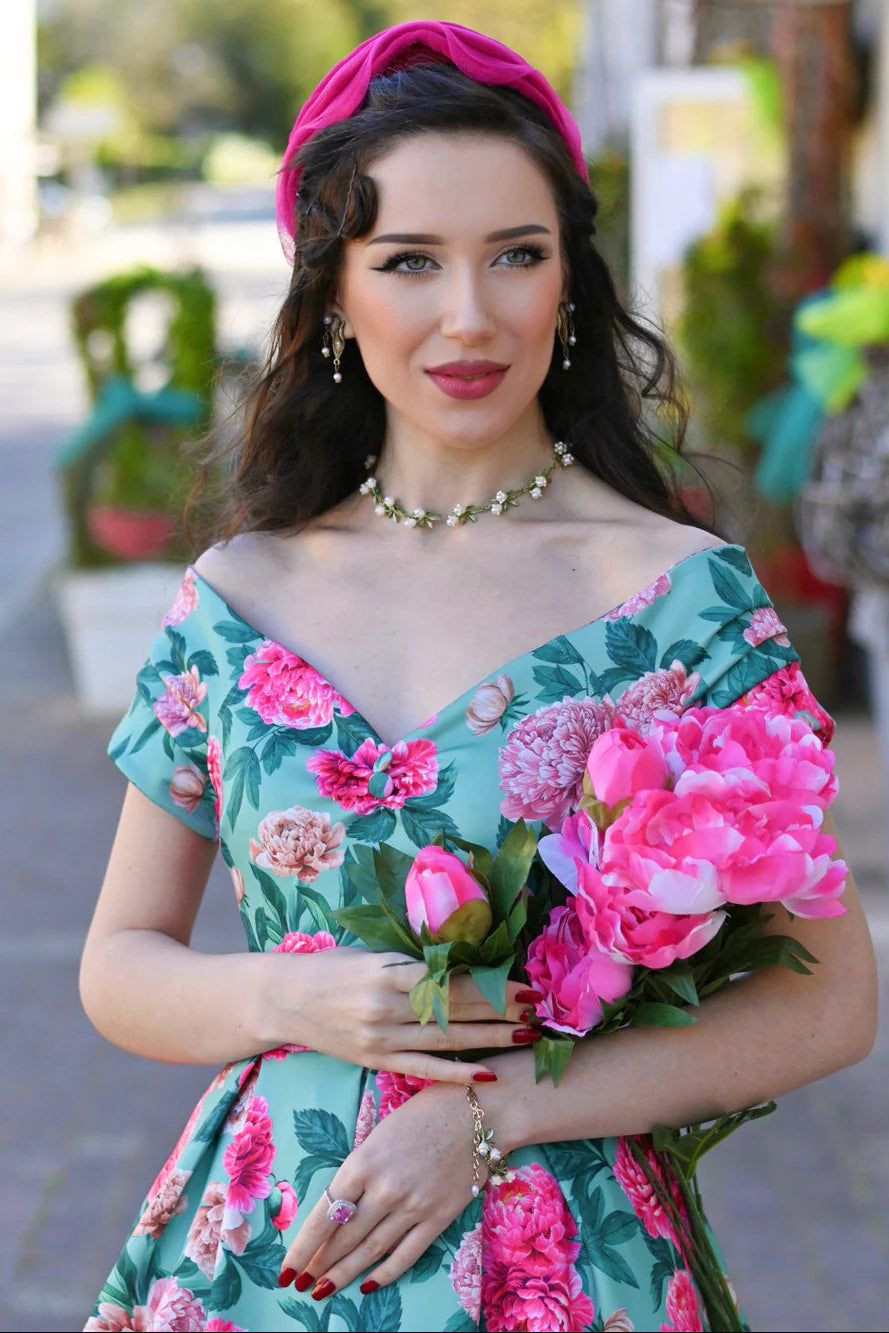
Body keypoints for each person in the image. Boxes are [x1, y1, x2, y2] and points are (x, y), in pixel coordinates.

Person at [80, 21, 877, 1333]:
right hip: (271, 1249)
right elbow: (119, 964)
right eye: (408, 261)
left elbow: (830, 994)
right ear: (334, 290)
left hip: (568, 1257)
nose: (469, 314)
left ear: (570, 277)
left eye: (517, 254)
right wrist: (285, 992)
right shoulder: (235, 599)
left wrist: (495, 1114)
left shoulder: (675, 600)